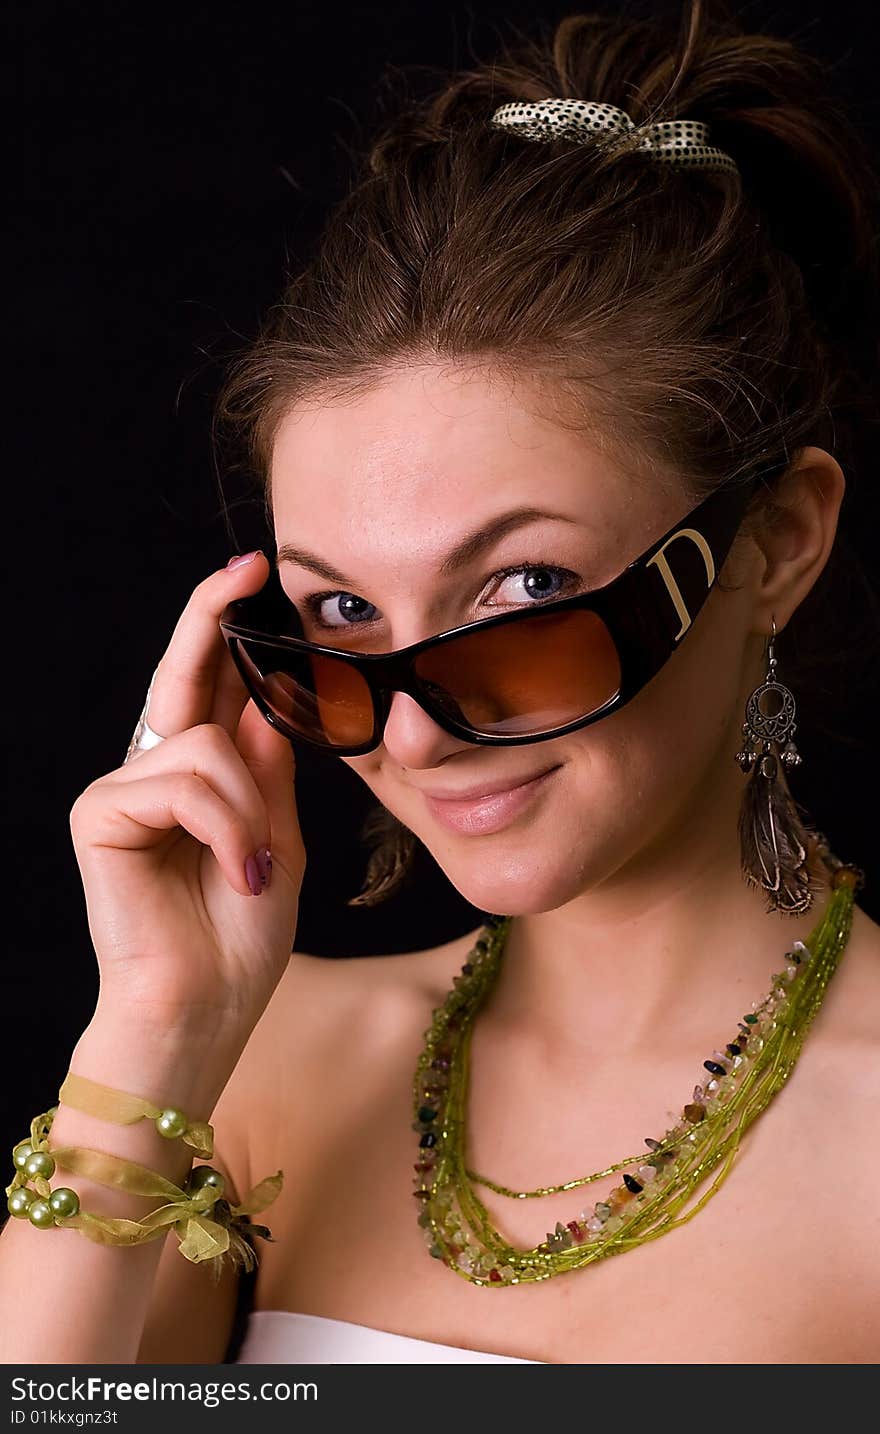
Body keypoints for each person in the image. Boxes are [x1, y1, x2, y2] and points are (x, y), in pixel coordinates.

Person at [2, 0, 879, 1366]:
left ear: (778, 541)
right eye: (341, 613)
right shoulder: (259, 1072)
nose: (416, 728)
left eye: (524, 592)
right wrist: (156, 1024)